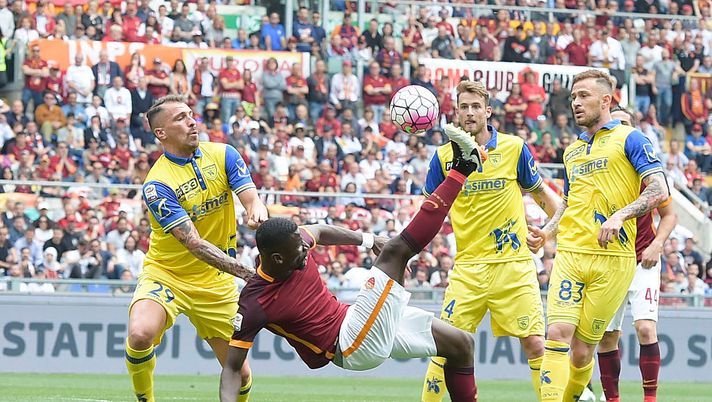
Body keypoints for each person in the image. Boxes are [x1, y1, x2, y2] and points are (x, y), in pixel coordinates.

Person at [219, 124, 488, 402]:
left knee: (460, 344)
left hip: (353, 318)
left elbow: (320, 231)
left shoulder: (293, 243)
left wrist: (369, 240)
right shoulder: (254, 301)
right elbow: (231, 367)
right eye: (299, 249)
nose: (306, 249)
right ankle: (462, 168)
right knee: (397, 251)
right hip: (348, 344)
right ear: (276, 258)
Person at [527, 70, 669, 402]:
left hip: (614, 260)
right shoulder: (572, 151)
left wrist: (620, 215)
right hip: (572, 254)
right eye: (573, 97)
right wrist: (547, 233)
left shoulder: (631, 139)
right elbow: (567, 202)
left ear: (606, 100)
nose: (575, 103)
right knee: (557, 333)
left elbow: (659, 188)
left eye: (583, 96)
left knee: (582, 353)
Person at [421, 80, 561, 402]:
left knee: (535, 344)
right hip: (468, 268)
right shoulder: (443, 158)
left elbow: (544, 196)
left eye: (475, 106)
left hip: (513, 265)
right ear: (456, 112)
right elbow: (430, 211)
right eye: (463, 107)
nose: (469, 112)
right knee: (444, 347)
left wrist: (551, 232)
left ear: (488, 110)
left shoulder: (513, 148)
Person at [124, 95, 269, 402]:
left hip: (215, 283)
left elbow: (251, 198)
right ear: (161, 133)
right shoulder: (157, 184)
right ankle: (144, 400)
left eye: (191, 114)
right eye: (180, 118)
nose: (192, 121)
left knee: (240, 374)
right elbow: (193, 243)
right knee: (139, 334)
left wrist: (256, 210)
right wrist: (246, 272)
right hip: (167, 275)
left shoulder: (225, 154)